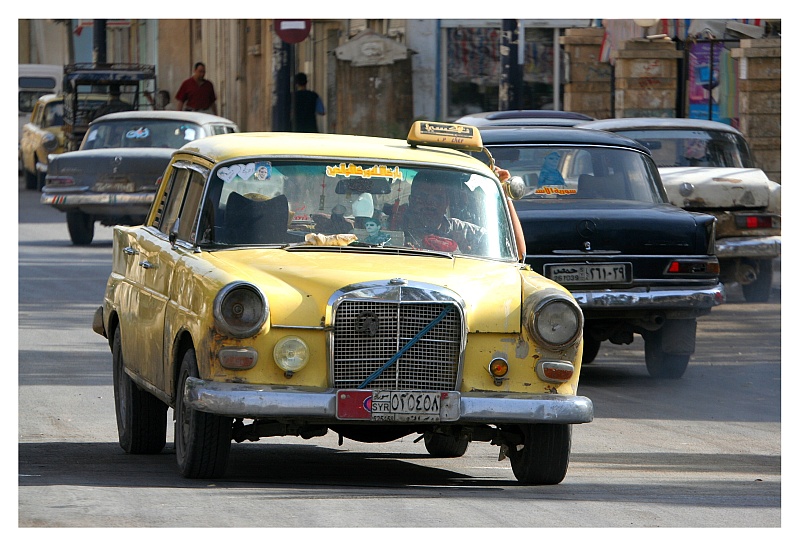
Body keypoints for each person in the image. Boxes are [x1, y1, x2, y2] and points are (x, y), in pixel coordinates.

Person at [402, 171, 486, 253]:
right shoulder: (397, 228)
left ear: (446, 203)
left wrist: (469, 252)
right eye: (422, 197)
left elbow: (489, 239)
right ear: (411, 200)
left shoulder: (460, 231)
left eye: (438, 198)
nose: (430, 203)